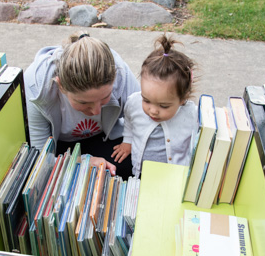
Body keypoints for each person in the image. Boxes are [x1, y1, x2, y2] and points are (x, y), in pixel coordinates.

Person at [24, 31, 140, 178]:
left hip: (104, 137)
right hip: (60, 145)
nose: (97, 111)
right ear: (60, 85)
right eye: (84, 102)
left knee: (131, 167)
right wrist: (81, 162)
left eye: (104, 98)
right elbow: (40, 158)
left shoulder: (122, 74)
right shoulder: (37, 85)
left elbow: (142, 120)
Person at [111, 34, 198, 177]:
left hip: (174, 175)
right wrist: (128, 141)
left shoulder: (191, 114)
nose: (152, 111)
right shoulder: (134, 103)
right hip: (141, 171)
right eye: (146, 100)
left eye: (163, 106)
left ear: (183, 99)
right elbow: (129, 120)